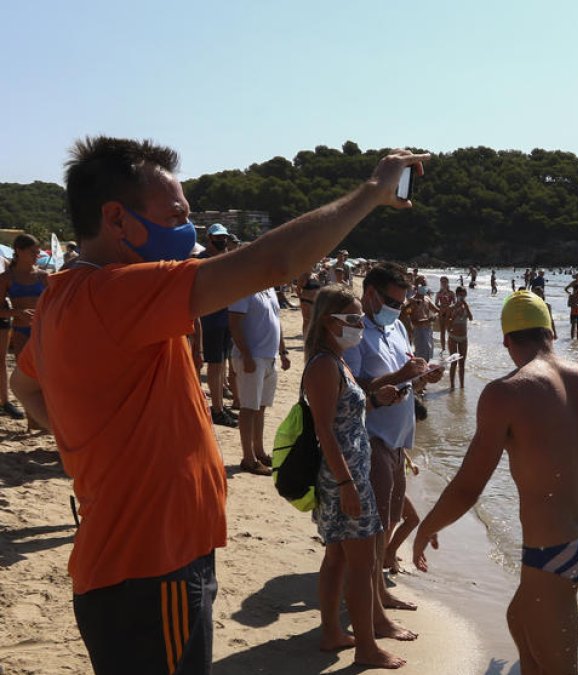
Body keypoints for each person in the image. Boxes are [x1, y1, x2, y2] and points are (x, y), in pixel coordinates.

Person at [11, 136, 426, 675]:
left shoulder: (64, 296)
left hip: (134, 559)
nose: (189, 230)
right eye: (176, 215)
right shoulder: (112, 293)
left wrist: (93, 445)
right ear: (116, 219)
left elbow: (26, 387)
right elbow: (275, 261)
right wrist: (372, 190)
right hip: (152, 565)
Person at [412, 291, 578, 674]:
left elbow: (468, 486)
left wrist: (427, 526)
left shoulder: (506, 392)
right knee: (519, 620)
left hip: (552, 551)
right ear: (552, 331)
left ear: (507, 340)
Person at [304, 286, 407, 669]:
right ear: (328, 321)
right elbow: (325, 429)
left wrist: (377, 399)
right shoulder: (323, 365)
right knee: (361, 567)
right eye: (351, 319)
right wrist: (347, 484)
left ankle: (332, 632)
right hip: (344, 477)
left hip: (347, 473)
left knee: (336, 558)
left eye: (360, 318)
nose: (359, 325)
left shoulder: (336, 360)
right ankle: (367, 647)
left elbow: (345, 417)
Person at [344, 263, 441, 618]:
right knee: (378, 522)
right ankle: (375, 597)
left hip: (399, 439)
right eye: (393, 302)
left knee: (391, 517)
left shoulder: (398, 326)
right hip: (373, 437)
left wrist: (423, 376)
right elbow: (349, 384)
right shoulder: (354, 331)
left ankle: (377, 588)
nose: (399, 309)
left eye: (402, 303)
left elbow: (405, 376)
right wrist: (401, 374)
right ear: (370, 294)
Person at [229, 284, 289, 475]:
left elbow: (277, 320)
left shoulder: (269, 289)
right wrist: (246, 354)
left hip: (269, 357)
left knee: (260, 407)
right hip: (252, 357)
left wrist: (283, 351)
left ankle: (259, 451)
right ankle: (249, 458)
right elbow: (234, 323)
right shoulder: (243, 288)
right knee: (248, 408)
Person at [198, 224, 238, 427]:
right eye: (218, 237)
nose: (222, 241)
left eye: (223, 237)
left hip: (224, 318)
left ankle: (220, 405)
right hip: (210, 321)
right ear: (210, 238)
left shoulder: (225, 259)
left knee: (221, 364)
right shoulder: (201, 261)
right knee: (214, 365)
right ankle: (217, 410)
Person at [0, 234, 51, 356]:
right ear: (19, 251)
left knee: (43, 367)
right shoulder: (6, 278)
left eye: (38, 252)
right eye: (32, 252)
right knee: (23, 367)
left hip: (43, 329)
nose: (37, 256)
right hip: (21, 330)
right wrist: (18, 312)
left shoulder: (43, 276)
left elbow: (54, 305)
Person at [446, 286, 473, 389]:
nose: (462, 297)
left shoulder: (466, 306)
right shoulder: (451, 307)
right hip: (453, 337)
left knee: (462, 363)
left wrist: (466, 306)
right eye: (460, 295)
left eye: (464, 295)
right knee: (454, 362)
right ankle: (452, 385)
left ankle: (462, 386)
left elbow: (471, 318)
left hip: (463, 338)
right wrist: (454, 315)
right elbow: (448, 326)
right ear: (456, 295)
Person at [406, 283, 437, 361]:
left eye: (425, 284)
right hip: (419, 330)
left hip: (428, 330)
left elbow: (436, 310)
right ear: (416, 286)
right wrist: (428, 320)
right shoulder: (411, 301)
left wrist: (435, 315)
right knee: (421, 356)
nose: (424, 286)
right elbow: (412, 320)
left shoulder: (427, 299)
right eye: (421, 284)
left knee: (428, 354)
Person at [434, 276, 455, 352]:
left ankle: (450, 347)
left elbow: (455, 303)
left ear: (448, 282)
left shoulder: (451, 293)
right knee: (442, 331)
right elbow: (436, 303)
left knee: (450, 331)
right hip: (442, 313)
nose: (443, 283)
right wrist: (441, 308)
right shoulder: (439, 293)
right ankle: (443, 348)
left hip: (449, 313)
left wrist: (449, 307)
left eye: (445, 282)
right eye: (442, 282)